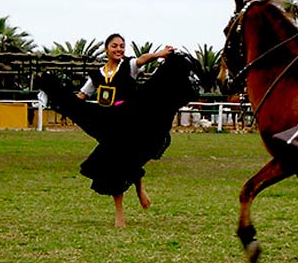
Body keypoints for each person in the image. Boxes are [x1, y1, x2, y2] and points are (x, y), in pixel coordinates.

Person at [37, 34, 193, 228]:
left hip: (132, 119)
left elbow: (143, 59)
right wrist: (69, 106)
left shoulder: (129, 66)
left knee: (125, 157)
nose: (119, 49)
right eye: (114, 46)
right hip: (109, 120)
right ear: (106, 49)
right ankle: (122, 209)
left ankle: (137, 191)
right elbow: (83, 95)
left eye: (121, 46)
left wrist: (160, 55)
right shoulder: (97, 74)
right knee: (115, 161)